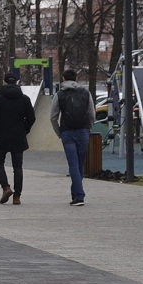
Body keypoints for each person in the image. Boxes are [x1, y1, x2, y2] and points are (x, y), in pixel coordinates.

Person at [0, 72, 36, 206]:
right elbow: (31, 118)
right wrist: (25, 130)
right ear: (16, 82)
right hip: (18, 136)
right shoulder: (24, 99)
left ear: (4, 82)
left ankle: (6, 187)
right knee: (18, 167)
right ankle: (17, 196)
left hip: (1, 135)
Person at [50, 69, 95, 206]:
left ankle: (79, 196)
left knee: (73, 164)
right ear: (76, 78)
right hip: (83, 131)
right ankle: (75, 193)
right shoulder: (86, 93)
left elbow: (53, 117)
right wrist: (88, 128)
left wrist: (59, 132)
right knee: (80, 164)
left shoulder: (60, 94)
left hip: (67, 132)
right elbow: (92, 113)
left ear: (63, 78)